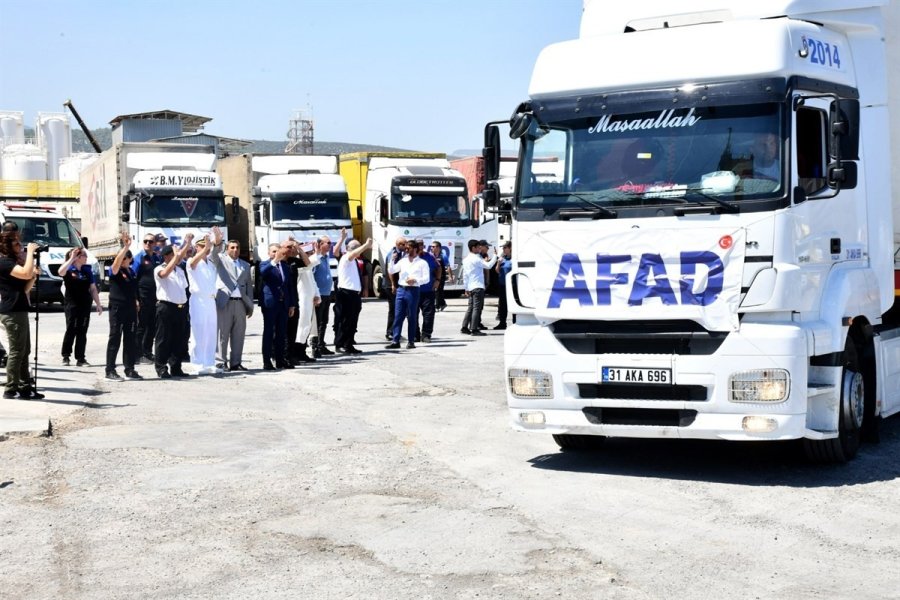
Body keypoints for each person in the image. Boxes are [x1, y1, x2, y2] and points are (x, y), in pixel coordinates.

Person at [0, 233, 42, 399]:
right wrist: (31, 252)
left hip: (19, 309)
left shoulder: (12, 263)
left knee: (25, 350)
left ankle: (25, 387)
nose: (21, 246)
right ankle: (10, 388)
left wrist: (33, 276)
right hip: (12, 312)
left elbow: (24, 287)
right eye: (17, 244)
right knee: (17, 351)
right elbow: (25, 272)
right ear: (7, 246)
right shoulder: (4, 263)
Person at [208, 228, 253, 372]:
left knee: (239, 334)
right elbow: (213, 255)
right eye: (232, 247)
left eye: (237, 247)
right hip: (225, 301)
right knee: (223, 333)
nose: (235, 250)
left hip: (240, 303)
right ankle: (221, 361)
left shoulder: (245, 265)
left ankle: (236, 362)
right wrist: (217, 242)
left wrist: (250, 305)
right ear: (227, 249)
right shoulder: (221, 261)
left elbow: (248, 287)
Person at [154, 236, 193, 379]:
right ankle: (161, 367)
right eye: (172, 254)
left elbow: (180, 258)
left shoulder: (180, 270)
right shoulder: (159, 268)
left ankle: (176, 367)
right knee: (164, 339)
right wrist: (176, 257)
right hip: (166, 307)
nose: (176, 257)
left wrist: (187, 244)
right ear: (166, 256)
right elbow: (164, 275)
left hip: (180, 308)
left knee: (179, 339)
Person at [105, 232, 141, 381]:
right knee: (115, 337)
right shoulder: (115, 271)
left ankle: (129, 368)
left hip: (130, 309)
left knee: (130, 339)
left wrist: (137, 302)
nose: (123, 260)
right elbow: (115, 264)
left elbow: (134, 289)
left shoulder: (131, 272)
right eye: (122, 257)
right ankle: (110, 370)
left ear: (130, 259)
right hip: (117, 307)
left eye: (126, 257)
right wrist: (125, 247)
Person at [58, 246, 103, 366]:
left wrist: (98, 304)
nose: (86, 258)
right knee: (71, 329)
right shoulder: (68, 269)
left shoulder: (87, 270)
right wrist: (71, 258)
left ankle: (80, 358)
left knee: (82, 330)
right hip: (71, 303)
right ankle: (66, 356)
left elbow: (93, 288)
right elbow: (60, 272)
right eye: (84, 255)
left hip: (85, 303)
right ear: (77, 257)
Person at [259, 241, 297, 370]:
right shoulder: (265, 264)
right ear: (269, 253)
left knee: (281, 333)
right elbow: (263, 273)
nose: (276, 254)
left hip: (283, 304)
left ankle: (280, 360)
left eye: (277, 251)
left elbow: (289, 286)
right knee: (269, 332)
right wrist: (274, 261)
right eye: (273, 251)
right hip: (270, 303)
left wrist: (292, 304)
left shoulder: (285, 266)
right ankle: (267, 360)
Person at [386, 240, 430, 350]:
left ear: (415, 249)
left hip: (413, 290)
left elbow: (426, 279)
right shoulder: (403, 261)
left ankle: (411, 341)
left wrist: (415, 280)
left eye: (408, 248)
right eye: (405, 248)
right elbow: (392, 270)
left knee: (412, 316)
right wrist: (392, 260)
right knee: (398, 316)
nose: (406, 250)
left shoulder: (422, 263)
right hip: (401, 290)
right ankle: (395, 340)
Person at [187, 234, 220, 374]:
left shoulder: (210, 263)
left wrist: (215, 242)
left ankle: (209, 362)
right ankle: (197, 363)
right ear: (197, 247)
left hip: (210, 300)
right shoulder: (192, 261)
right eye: (202, 246)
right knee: (198, 331)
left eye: (207, 247)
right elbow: (193, 263)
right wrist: (205, 248)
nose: (205, 249)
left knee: (211, 332)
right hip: (198, 299)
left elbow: (218, 251)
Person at [333, 238, 372, 354]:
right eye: (359, 248)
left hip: (354, 294)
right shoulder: (346, 257)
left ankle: (348, 344)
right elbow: (351, 254)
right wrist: (366, 245)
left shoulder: (354, 260)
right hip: (346, 293)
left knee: (352, 321)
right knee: (344, 320)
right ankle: (340, 344)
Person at [310, 231, 345, 358]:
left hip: (326, 294)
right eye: (328, 243)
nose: (330, 245)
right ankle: (315, 346)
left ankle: (321, 344)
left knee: (324, 321)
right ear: (319, 244)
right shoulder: (315, 259)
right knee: (317, 321)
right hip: (318, 295)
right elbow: (311, 278)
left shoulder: (325, 258)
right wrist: (315, 294)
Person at [132, 233, 165, 363]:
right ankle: (137, 354)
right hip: (142, 297)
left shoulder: (157, 258)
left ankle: (147, 352)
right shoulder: (139, 258)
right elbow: (133, 278)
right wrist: (135, 298)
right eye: (145, 241)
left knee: (152, 326)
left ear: (155, 243)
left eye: (150, 242)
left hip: (154, 297)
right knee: (141, 326)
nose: (147, 244)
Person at [460, 239, 497, 337]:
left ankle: (464, 327)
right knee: (476, 308)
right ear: (473, 248)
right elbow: (488, 266)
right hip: (478, 286)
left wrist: (466, 288)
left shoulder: (466, 259)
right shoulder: (476, 258)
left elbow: (465, 275)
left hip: (471, 286)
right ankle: (474, 328)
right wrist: (495, 256)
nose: (479, 248)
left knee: (471, 308)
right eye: (478, 247)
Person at [293, 241, 319, 363]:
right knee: (300, 327)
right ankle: (296, 352)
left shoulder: (307, 267)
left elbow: (313, 283)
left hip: (309, 301)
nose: (309, 255)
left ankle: (302, 351)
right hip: (301, 301)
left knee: (307, 327)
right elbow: (312, 262)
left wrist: (317, 295)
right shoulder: (300, 266)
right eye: (307, 253)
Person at [382, 236, 407, 340]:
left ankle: (394, 331)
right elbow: (390, 270)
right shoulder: (393, 254)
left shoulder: (400, 254)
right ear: (398, 245)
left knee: (398, 310)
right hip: (391, 285)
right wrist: (393, 284)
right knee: (394, 309)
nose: (406, 246)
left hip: (396, 285)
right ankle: (390, 332)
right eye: (404, 244)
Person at [415, 238, 440, 343]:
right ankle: (415, 334)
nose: (421, 246)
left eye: (422, 245)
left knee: (429, 314)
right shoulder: (409, 257)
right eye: (418, 245)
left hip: (428, 290)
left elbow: (438, 268)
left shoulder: (429, 257)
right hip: (414, 291)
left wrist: (437, 280)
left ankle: (426, 335)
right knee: (412, 314)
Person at [494, 241, 512, 330]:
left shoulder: (513, 259)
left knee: (512, 303)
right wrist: (498, 263)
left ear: (510, 248)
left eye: (505, 248)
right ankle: (502, 322)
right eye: (503, 248)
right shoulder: (503, 258)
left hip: (512, 286)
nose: (503, 250)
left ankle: (515, 322)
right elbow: (497, 270)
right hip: (502, 285)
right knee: (502, 304)